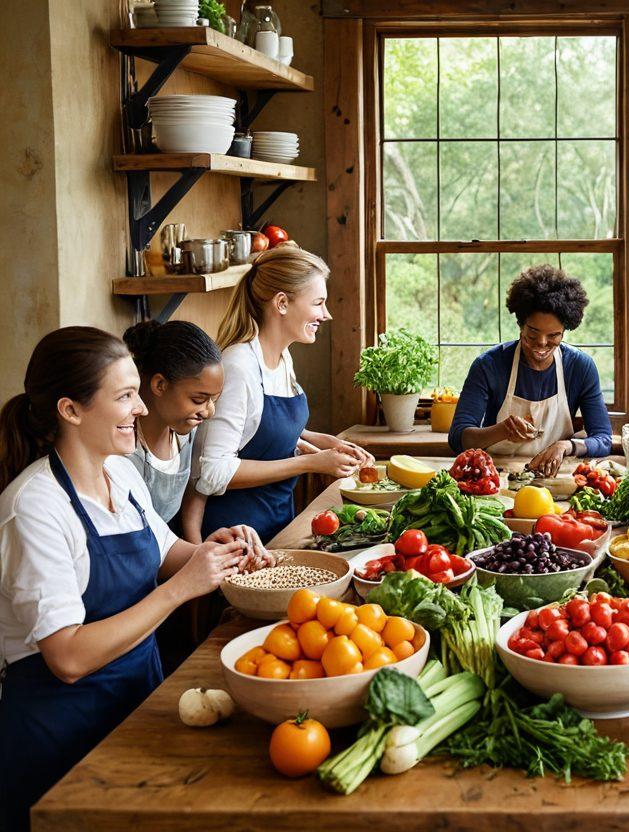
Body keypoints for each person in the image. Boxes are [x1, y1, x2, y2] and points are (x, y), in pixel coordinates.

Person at [0, 327, 268, 830]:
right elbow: (69, 658)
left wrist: (218, 550)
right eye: (125, 396)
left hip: (138, 705)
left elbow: (168, 553)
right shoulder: (34, 508)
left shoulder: (119, 472)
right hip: (61, 737)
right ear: (70, 410)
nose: (141, 408)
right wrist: (180, 589)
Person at [190, 247, 373, 543]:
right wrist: (311, 463)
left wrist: (322, 442)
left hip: (278, 523)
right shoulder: (239, 366)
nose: (326, 314)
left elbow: (259, 430)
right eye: (318, 303)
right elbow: (212, 472)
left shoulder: (282, 357)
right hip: (236, 535)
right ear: (282, 303)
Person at [448, 264, 612, 476]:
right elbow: (458, 438)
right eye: (532, 334)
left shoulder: (580, 367)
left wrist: (565, 446)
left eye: (553, 335)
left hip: (555, 476)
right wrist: (502, 431)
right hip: (496, 476)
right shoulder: (489, 366)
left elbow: (603, 438)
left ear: (565, 331)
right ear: (520, 323)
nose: (541, 344)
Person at [122, 320, 224, 524]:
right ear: (160, 385)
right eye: (198, 400)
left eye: (213, 400)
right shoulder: (122, 446)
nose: (209, 412)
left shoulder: (185, 434)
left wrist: (202, 549)